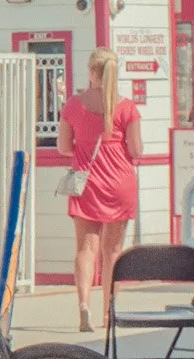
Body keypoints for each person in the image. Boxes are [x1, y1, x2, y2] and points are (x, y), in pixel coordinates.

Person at [59, 46, 141, 331]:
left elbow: (61, 147)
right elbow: (137, 149)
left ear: (92, 72)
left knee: (85, 248)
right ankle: (109, 311)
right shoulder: (127, 107)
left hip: (87, 181)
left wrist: (83, 145)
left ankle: (84, 306)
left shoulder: (73, 105)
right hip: (120, 181)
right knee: (113, 251)